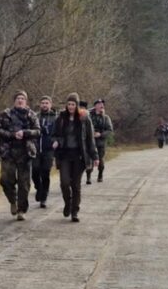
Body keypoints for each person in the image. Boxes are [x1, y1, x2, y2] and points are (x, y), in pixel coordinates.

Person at [0, 91, 41, 221]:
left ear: (26, 101)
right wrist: (12, 135)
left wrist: (25, 133)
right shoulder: (5, 114)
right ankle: (13, 201)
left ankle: (21, 210)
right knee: (5, 180)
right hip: (8, 152)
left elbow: (38, 131)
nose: (20, 101)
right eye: (18, 98)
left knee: (24, 184)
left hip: (25, 153)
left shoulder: (31, 115)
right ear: (14, 101)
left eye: (22, 99)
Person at [52, 93, 97, 222]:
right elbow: (54, 134)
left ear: (77, 105)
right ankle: (68, 203)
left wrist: (95, 156)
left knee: (76, 185)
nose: (71, 106)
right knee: (64, 183)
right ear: (66, 105)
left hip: (79, 156)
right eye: (69, 104)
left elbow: (90, 139)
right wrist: (56, 141)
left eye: (73, 104)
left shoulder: (84, 119)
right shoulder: (60, 118)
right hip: (65, 155)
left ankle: (75, 211)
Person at [32, 96, 58, 208]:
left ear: (50, 104)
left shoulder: (55, 118)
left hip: (49, 149)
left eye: (46, 103)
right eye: (42, 103)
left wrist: (56, 141)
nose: (44, 105)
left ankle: (44, 197)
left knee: (45, 172)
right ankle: (39, 187)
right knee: (35, 170)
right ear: (40, 104)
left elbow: (59, 132)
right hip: (36, 148)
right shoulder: (35, 116)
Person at [89, 99, 114, 183]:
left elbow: (109, 130)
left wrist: (101, 134)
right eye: (99, 104)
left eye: (102, 104)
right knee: (89, 159)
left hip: (100, 142)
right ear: (95, 106)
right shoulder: (89, 116)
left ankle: (100, 174)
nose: (101, 106)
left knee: (100, 159)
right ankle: (88, 175)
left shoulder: (106, 118)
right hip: (90, 141)